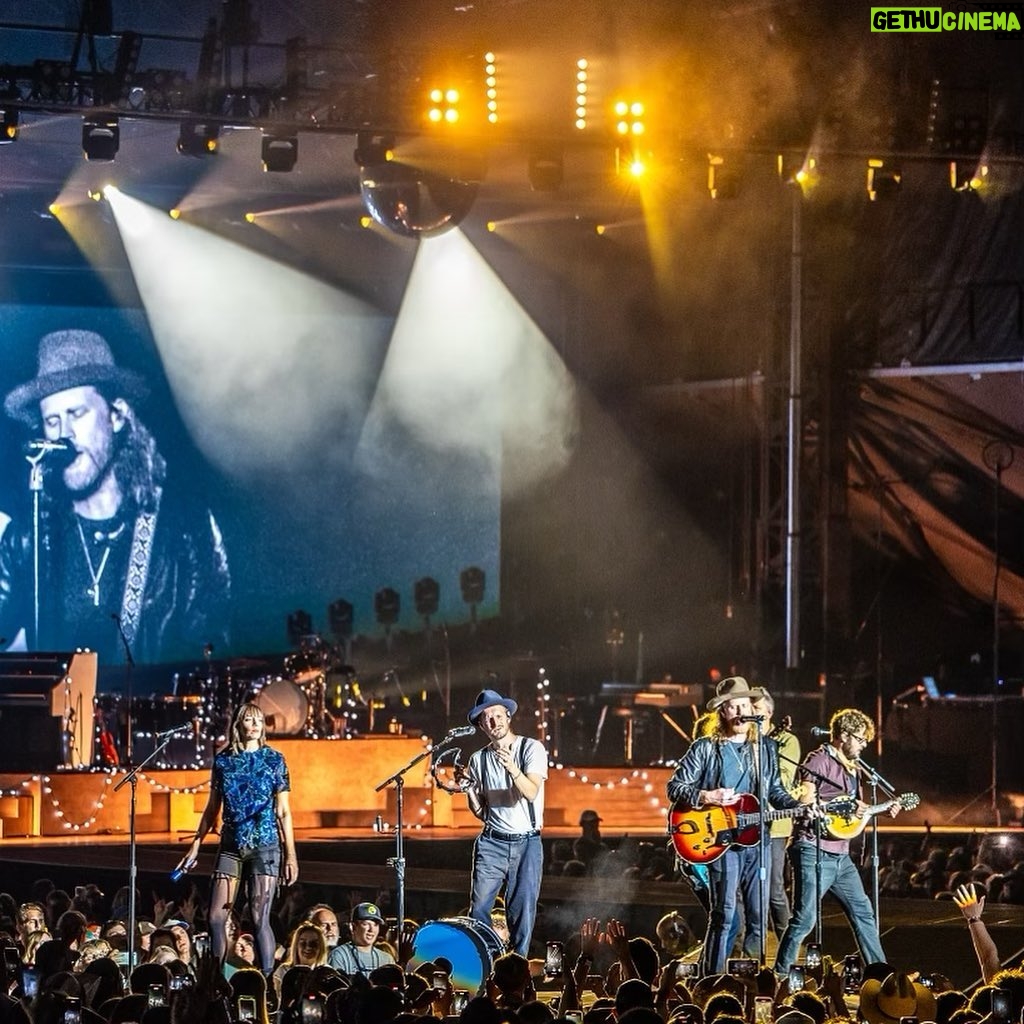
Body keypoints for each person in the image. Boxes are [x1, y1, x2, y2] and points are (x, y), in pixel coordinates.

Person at [0, 328, 230, 667]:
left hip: (152, 718)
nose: (64, 434)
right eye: (52, 420)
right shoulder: (29, 534)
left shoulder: (183, 526)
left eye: (77, 413)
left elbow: (212, 657)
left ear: (117, 416)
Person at [666, 676, 811, 975]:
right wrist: (706, 795)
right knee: (725, 915)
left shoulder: (766, 749)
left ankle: (751, 980)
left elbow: (775, 792)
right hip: (720, 842)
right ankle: (712, 980)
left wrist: (800, 808)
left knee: (759, 915)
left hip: (757, 840)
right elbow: (675, 787)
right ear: (722, 713)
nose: (739, 711)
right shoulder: (706, 747)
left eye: (744, 705)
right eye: (732, 707)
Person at [173, 702, 298, 975]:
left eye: (258, 721)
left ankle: (266, 982)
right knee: (216, 915)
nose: (253, 726)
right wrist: (196, 845)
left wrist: (291, 855)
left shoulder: (274, 760)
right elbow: (211, 808)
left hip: (265, 846)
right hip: (231, 844)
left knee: (258, 916)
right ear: (238, 724)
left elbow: (284, 811)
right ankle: (215, 980)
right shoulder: (223, 761)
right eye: (248, 720)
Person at [773, 707, 898, 977]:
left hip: (840, 855)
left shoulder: (854, 768)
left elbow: (850, 815)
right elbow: (806, 799)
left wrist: (878, 810)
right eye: (861, 739)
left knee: (864, 913)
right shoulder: (818, 760)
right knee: (804, 920)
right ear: (843, 735)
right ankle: (780, 977)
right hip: (812, 850)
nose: (864, 745)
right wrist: (829, 806)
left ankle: (882, 976)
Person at [454, 687, 549, 957]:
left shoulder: (531, 748)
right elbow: (482, 811)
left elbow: (531, 791)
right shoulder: (479, 760)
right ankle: (484, 961)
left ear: (508, 716)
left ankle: (516, 966)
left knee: (521, 909)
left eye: (497, 715)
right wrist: (468, 789)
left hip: (527, 842)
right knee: (479, 907)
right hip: (492, 841)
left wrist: (512, 768)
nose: (494, 721)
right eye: (487, 718)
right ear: (481, 725)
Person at [326, 902, 395, 976]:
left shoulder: (386, 959)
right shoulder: (339, 956)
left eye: (375, 925)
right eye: (365, 924)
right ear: (353, 927)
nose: (371, 930)